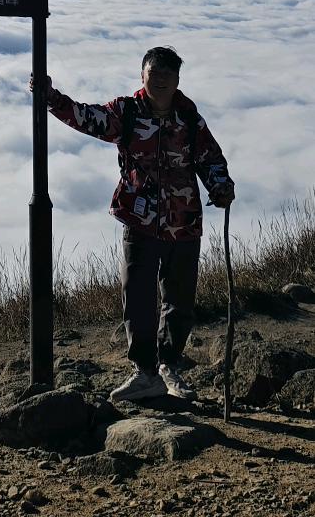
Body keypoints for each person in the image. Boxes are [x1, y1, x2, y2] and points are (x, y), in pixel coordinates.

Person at [28, 46, 235, 403]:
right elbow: (87, 117)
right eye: (153, 75)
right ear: (143, 77)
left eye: (167, 76)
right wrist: (51, 98)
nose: (160, 82)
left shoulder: (189, 118)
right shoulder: (126, 112)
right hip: (140, 221)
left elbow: (209, 157)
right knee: (137, 297)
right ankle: (145, 371)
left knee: (180, 301)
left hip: (183, 223)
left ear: (177, 81)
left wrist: (221, 186)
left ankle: (169, 367)